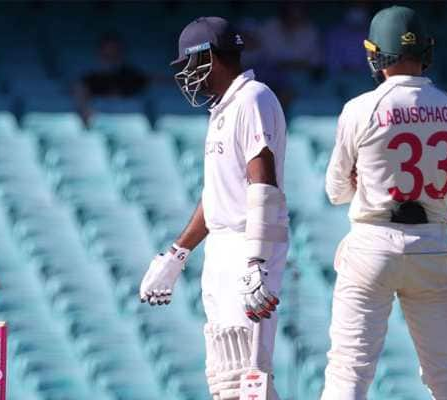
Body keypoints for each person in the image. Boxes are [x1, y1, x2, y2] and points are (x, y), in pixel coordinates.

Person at [139, 16, 289, 400]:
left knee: (249, 375)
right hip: (222, 250)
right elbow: (216, 195)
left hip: (247, 248)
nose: (188, 75)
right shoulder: (224, 109)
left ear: (210, 57)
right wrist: (177, 254)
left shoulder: (253, 98)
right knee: (225, 377)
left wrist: (256, 262)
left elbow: (263, 184)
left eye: (190, 64)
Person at [321, 5, 447, 399]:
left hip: (373, 241)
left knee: (349, 370)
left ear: (376, 53)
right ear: (425, 51)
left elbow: (336, 190)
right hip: (432, 244)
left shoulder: (360, 108)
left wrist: (362, 181)